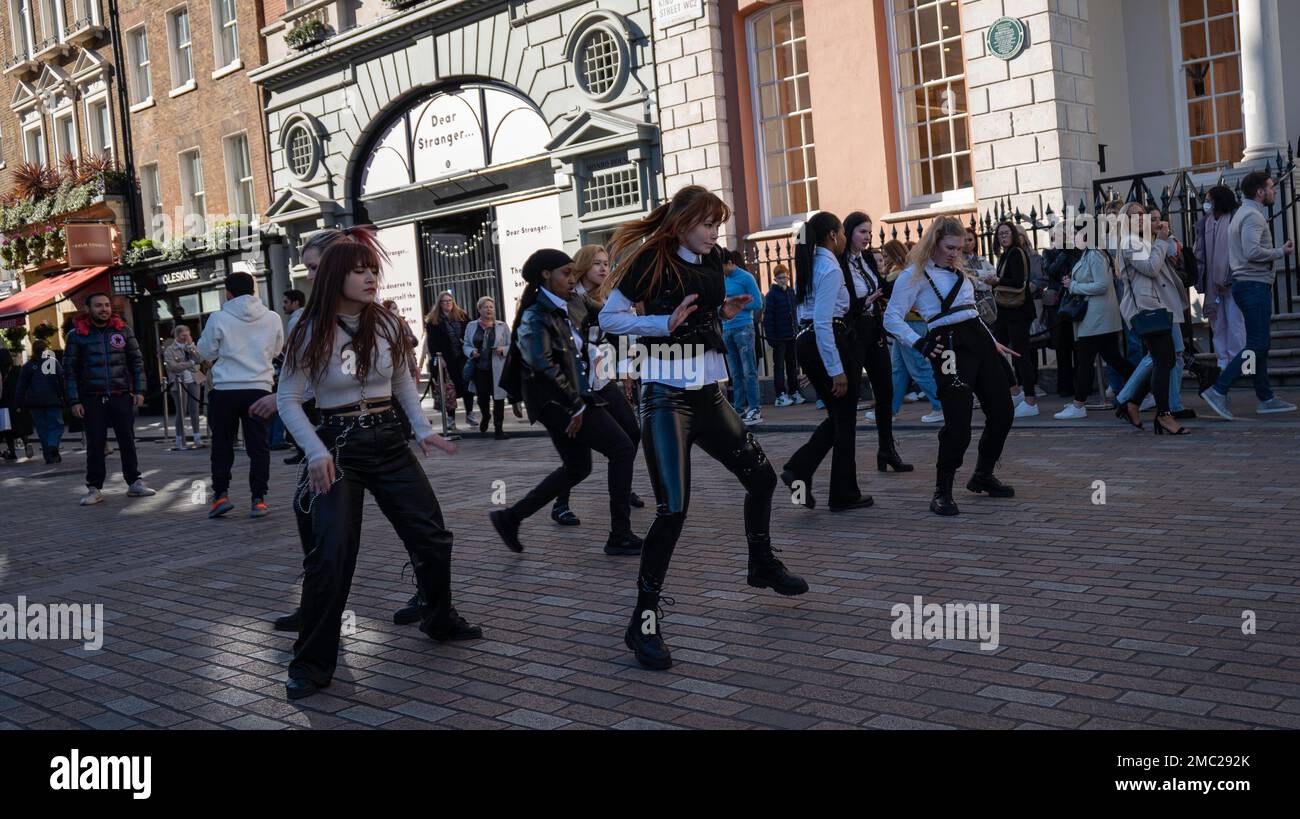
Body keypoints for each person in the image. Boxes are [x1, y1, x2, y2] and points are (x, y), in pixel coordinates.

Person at [600, 184, 808, 671]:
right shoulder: (647, 260)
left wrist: (724, 311)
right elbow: (610, 318)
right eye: (708, 223)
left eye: (719, 224)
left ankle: (760, 563)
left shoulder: (713, 259)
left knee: (761, 478)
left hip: (709, 394)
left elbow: (703, 308)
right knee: (672, 509)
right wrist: (660, 323)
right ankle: (643, 622)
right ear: (682, 223)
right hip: (666, 396)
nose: (716, 232)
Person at [276, 230, 479, 700]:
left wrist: (423, 427)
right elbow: (288, 398)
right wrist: (316, 451)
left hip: (388, 442)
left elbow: (405, 383)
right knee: (331, 556)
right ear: (334, 276)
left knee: (431, 537)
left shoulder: (386, 324)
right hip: (337, 445)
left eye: (373, 270)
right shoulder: (308, 328)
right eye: (358, 270)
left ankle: (439, 617)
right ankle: (311, 662)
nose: (370, 278)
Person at [489, 249, 644, 557]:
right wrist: (579, 404)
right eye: (566, 273)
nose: (572, 279)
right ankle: (619, 534)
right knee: (621, 447)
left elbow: (606, 318)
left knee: (578, 466)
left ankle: (510, 517)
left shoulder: (566, 303)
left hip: (569, 398)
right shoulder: (535, 316)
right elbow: (543, 366)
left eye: (574, 273)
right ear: (546, 275)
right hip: (556, 402)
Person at [883, 216, 1018, 516]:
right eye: (949, 247)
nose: (955, 252)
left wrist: (992, 342)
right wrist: (919, 343)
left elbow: (970, 311)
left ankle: (982, 474)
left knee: (1003, 411)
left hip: (979, 342)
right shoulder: (913, 276)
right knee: (958, 424)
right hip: (949, 347)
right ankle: (941, 490)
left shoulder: (959, 271)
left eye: (959, 247)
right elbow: (891, 318)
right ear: (934, 243)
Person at [781, 212, 878, 513]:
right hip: (828, 338)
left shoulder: (812, 264)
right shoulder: (830, 267)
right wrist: (836, 369)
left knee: (838, 417)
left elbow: (806, 318)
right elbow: (823, 321)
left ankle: (800, 470)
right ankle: (842, 493)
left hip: (810, 340)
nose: (847, 239)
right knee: (844, 419)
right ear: (833, 236)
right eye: (843, 233)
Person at [549, 243, 646, 527]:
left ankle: (622, 484)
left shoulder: (606, 298)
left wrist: (627, 371)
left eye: (606, 263)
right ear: (583, 266)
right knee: (577, 451)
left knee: (631, 431)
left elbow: (619, 337)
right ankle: (560, 503)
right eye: (597, 264)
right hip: (578, 385)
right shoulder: (570, 298)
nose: (604, 268)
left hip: (602, 379)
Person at [1201, 170, 1297, 418]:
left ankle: (1265, 397)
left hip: (1250, 286)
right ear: (1259, 192)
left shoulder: (1243, 214)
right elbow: (1252, 251)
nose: (1274, 190)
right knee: (1256, 343)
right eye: (1271, 187)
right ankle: (1219, 389)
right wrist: (1280, 252)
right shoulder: (1253, 216)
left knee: (1260, 344)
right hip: (1253, 286)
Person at [196, 272, 284, 518]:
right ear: (254, 290)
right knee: (259, 447)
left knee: (222, 445)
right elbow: (277, 349)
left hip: (226, 390)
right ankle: (259, 499)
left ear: (228, 293)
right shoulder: (272, 317)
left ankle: (221, 496)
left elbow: (206, 352)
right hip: (259, 389)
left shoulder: (219, 317)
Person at [64, 293, 156, 505]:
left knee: (127, 441)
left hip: (120, 395)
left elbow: (136, 362)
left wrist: (140, 391)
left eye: (106, 305)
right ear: (88, 309)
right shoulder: (76, 335)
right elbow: (69, 372)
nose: (104, 309)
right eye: (98, 306)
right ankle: (94, 488)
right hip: (91, 398)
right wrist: (74, 400)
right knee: (95, 444)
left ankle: (134, 482)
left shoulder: (123, 329)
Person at [841, 212, 910, 472]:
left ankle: (887, 450)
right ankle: (847, 460)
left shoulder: (868, 259)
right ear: (849, 233)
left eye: (869, 232)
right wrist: (863, 303)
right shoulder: (839, 263)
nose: (868, 237)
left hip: (874, 331)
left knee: (885, 389)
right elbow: (840, 304)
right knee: (852, 393)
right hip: (854, 333)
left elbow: (882, 288)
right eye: (862, 231)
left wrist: (909, 277)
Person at [1114, 203, 1191, 435]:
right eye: (1134, 215)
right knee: (1164, 361)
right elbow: (1150, 268)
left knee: (1163, 360)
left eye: (1141, 214)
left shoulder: (1142, 240)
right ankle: (1164, 415)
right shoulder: (1129, 242)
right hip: (1147, 309)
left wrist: (1162, 242)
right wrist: (1159, 241)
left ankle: (1132, 403)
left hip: (1158, 307)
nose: (1140, 218)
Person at [1054, 245, 1135, 419]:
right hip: (1097, 318)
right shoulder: (1089, 254)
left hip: (1097, 318)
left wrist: (1073, 285)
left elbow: (1102, 285)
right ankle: (1146, 389)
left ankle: (1079, 405)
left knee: (1085, 361)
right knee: (1115, 359)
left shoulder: (1095, 254)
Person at [880, 239, 942, 423]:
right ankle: (889, 410)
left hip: (910, 325)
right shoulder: (904, 272)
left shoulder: (899, 275)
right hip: (908, 324)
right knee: (898, 369)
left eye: (885, 256)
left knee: (919, 367)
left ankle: (940, 405)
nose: (884, 259)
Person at [984, 221, 1040, 418]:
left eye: (1006, 233)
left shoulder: (1016, 252)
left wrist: (997, 280)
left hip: (1018, 311)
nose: (1003, 236)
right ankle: (1015, 390)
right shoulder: (1006, 255)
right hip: (1007, 311)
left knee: (1021, 354)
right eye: (1000, 234)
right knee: (996, 348)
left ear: (1014, 234)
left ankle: (1030, 400)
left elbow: (1018, 282)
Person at [1194, 185, 1247, 369]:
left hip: (1232, 279)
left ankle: (1239, 363)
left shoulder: (1234, 218)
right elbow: (1200, 253)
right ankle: (1223, 362)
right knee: (1218, 324)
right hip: (1211, 283)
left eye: (1209, 200)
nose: (1206, 204)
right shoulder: (1204, 223)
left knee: (1235, 323)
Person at [421, 290, 474, 431]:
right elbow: (432, 343)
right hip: (446, 359)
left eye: (450, 301)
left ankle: (470, 414)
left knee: (466, 385)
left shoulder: (461, 316)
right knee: (450, 389)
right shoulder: (433, 321)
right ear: (439, 303)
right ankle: (451, 419)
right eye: (445, 301)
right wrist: (439, 358)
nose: (448, 303)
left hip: (462, 357)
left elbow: (469, 333)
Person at [721, 250, 764, 425]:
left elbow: (758, 303)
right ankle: (738, 409)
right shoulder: (722, 280)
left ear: (730, 263)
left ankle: (754, 408)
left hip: (743, 328)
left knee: (749, 370)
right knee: (735, 373)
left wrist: (737, 303)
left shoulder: (746, 278)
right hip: (727, 328)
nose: (721, 270)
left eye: (722, 266)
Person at [464, 296, 511, 439]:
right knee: (482, 399)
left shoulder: (502, 326)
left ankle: (499, 429)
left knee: (499, 398)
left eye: (491, 307)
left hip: (498, 368)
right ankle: (485, 415)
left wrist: (502, 350)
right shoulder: (471, 326)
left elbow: (512, 346)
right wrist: (471, 352)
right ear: (479, 309)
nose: (489, 309)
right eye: (485, 307)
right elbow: (466, 345)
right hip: (480, 369)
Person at [14, 340, 66, 463]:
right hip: (53, 400)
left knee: (42, 429)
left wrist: (17, 403)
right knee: (56, 425)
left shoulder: (28, 366)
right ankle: (53, 445)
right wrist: (67, 398)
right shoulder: (53, 363)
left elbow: (21, 386)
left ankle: (49, 456)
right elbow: (62, 381)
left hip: (35, 402)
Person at [268, 289, 307, 451]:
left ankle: (298, 446)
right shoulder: (306, 317)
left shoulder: (296, 319)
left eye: (286, 302)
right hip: (305, 372)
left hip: (298, 372)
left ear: (295, 303)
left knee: (287, 404)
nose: (283, 305)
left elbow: (294, 349)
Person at [763, 263, 803, 407]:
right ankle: (780, 394)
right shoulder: (771, 295)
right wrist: (771, 338)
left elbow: (796, 312)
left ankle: (794, 391)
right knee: (779, 367)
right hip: (779, 338)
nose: (783, 280)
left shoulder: (791, 293)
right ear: (775, 279)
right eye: (780, 278)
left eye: (785, 277)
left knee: (793, 366)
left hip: (792, 336)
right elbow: (768, 319)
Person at [163, 324, 205, 450]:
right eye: (183, 335)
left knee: (195, 410)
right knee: (180, 412)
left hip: (193, 381)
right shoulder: (170, 350)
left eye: (188, 334)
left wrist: (191, 347)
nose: (186, 337)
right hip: (179, 383)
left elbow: (200, 359)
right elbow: (173, 367)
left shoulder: (190, 347)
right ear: (177, 335)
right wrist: (190, 363)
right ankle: (179, 440)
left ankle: (197, 437)